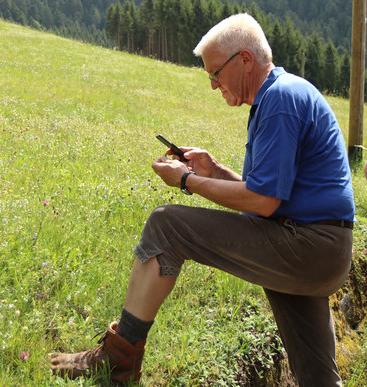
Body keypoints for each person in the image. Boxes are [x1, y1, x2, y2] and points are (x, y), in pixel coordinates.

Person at [50, 13, 355, 386]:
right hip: (319, 249)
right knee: (317, 377)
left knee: (166, 226)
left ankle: (118, 360)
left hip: (306, 245)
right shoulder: (284, 94)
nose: (213, 85)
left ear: (245, 60)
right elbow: (273, 193)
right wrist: (215, 171)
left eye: (215, 72)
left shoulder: (279, 99)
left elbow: (263, 202)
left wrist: (187, 181)